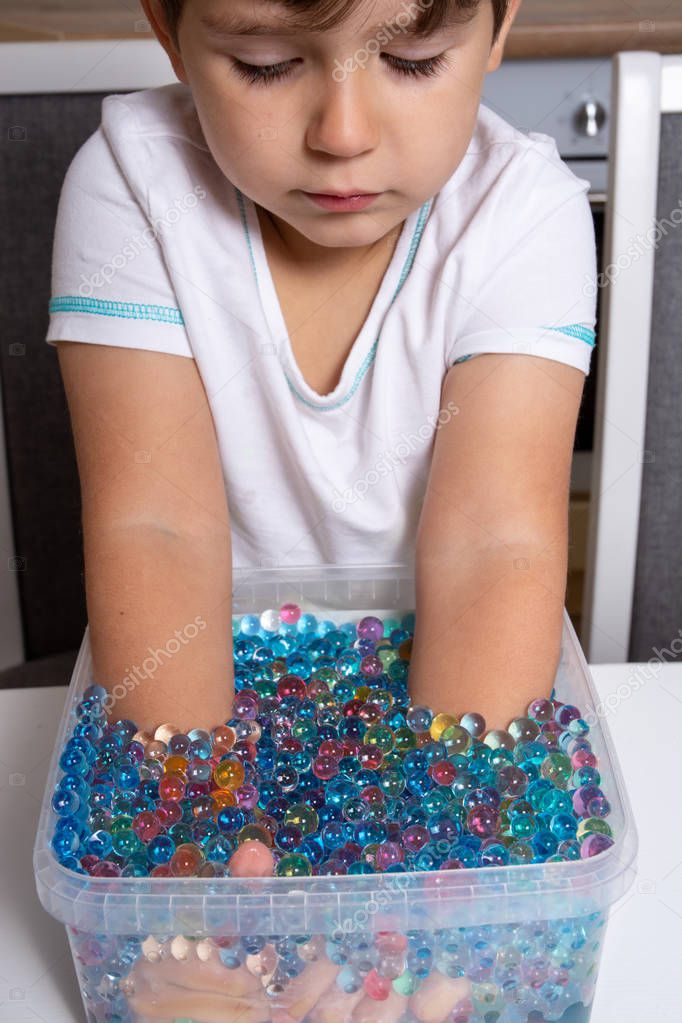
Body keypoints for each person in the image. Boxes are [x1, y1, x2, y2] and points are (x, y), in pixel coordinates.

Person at [48, 0, 595, 778]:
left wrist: (445, 820)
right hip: (201, 686)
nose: (343, 135)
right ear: (169, 33)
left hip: (445, 682)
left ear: (500, 25)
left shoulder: (525, 214)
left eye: (412, 62)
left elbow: (493, 547)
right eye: (264, 65)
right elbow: (155, 529)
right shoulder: (134, 184)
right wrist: (193, 811)